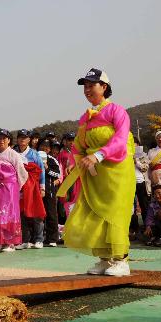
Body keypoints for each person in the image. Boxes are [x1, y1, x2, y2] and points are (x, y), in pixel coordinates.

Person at [58, 68, 134, 276]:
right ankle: (105, 259)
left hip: (116, 172)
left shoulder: (117, 111)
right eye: (85, 86)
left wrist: (99, 155)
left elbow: (121, 139)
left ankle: (121, 260)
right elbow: (77, 144)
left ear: (104, 87)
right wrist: (73, 161)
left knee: (115, 213)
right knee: (95, 214)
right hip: (94, 174)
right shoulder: (85, 117)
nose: (87, 89)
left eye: (92, 85)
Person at [0, 128, 27, 252]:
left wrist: (16, 188)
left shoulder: (13, 154)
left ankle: (10, 243)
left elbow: (22, 173)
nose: (1, 141)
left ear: (9, 140)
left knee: (9, 214)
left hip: (9, 188)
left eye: (4, 138)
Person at [15, 129, 46, 249]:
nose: (22, 139)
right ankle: (25, 240)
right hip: (19, 188)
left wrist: (42, 188)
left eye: (25, 137)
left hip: (33, 188)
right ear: (17, 139)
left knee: (36, 212)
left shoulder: (34, 154)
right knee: (21, 213)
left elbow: (41, 171)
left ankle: (39, 239)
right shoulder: (13, 152)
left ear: (29, 140)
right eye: (20, 137)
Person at [39, 140, 62, 246]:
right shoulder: (34, 157)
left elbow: (57, 174)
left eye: (47, 147)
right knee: (38, 215)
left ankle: (52, 238)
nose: (45, 148)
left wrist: (47, 168)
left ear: (50, 149)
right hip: (37, 190)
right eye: (42, 146)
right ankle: (38, 238)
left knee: (51, 214)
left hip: (49, 191)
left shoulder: (52, 160)